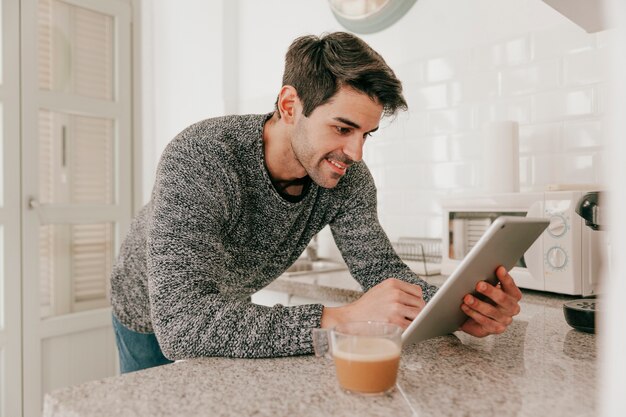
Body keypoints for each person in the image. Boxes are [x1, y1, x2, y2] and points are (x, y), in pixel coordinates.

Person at [110, 32, 522, 373]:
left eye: (366, 134)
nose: (356, 153)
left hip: (228, 306)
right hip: (149, 312)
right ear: (290, 106)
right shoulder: (203, 157)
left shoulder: (347, 179)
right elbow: (182, 324)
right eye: (343, 128)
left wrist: (458, 310)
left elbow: (380, 271)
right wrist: (342, 319)